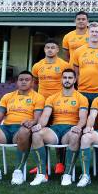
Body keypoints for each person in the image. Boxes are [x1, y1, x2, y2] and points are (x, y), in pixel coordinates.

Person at [0, 71, 45, 185]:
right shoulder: (7, 96)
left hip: (23, 129)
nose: (23, 82)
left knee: (24, 131)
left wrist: (31, 122)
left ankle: (18, 171)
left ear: (32, 82)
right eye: (21, 79)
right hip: (6, 129)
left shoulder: (38, 97)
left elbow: (37, 119)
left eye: (27, 80)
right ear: (17, 82)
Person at [28, 69, 88, 186]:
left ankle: (67, 174)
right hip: (55, 129)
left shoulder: (81, 98)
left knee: (75, 135)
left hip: (70, 129)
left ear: (75, 80)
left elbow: (83, 118)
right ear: (61, 79)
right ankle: (41, 174)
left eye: (70, 78)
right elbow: (45, 116)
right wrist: (39, 125)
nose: (67, 80)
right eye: (65, 77)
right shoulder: (52, 97)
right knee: (36, 134)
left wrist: (79, 127)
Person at [30, 38, 71, 175]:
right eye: (47, 47)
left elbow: (69, 83)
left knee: (60, 133)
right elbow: (34, 84)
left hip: (59, 104)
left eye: (53, 47)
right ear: (44, 49)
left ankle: (60, 163)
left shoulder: (64, 65)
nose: (50, 50)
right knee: (39, 133)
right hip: (43, 105)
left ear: (58, 50)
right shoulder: (37, 66)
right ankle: (43, 164)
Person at [71, 22, 98, 104]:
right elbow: (76, 73)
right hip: (82, 92)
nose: (94, 34)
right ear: (88, 33)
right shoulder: (78, 51)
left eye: (97, 32)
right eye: (92, 31)